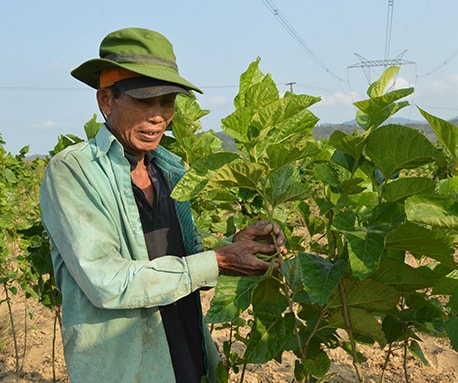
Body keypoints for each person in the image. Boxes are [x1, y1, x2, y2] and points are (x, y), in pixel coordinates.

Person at [39, 27, 286, 383]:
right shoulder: (73, 171)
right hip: (126, 367)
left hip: (187, 349)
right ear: (106, 100)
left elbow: (184, 263)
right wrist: (217, 261)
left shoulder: (170, 168)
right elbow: (106, 281)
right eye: (143, 101)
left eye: (167, 101)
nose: (158, 116)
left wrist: (236, 249)